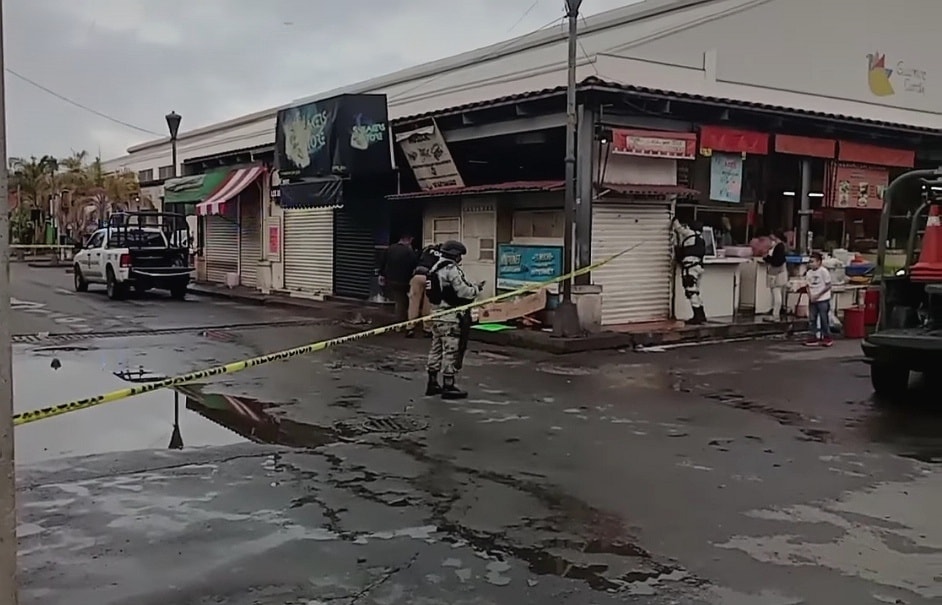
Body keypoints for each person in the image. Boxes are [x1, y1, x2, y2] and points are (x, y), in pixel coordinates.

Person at [425, 240, 482, 399]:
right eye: (459, 256)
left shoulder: (435, 267)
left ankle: (432, 382)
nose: (460, 259)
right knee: (451, 350)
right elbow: (463, 292)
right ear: (455, 255)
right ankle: (448, 385)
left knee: (436, 348)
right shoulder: (451, 270)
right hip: (449, 316)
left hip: (436, 314)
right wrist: (476, 289)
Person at [672, 217, 707, 325]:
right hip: (698, 267)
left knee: (691, 291)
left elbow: (679, 229)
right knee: (695, 291)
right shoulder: (700, 238)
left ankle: (697, 316)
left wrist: (674, 220)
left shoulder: (690, 233)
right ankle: (701, 314)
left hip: (690, 267)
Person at [379, 234, 418, 326]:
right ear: (408, 240)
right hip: (404, 280)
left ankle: (402, 318)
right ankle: (400, 322)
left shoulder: (390, 248)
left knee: (400, 299)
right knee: (402, 301)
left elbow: (383, 262)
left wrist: (382, 274)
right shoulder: (409, 251)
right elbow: (414, 264)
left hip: (391, 279)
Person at [406, 243, 442, 338]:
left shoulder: (426, 250)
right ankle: (427, 328)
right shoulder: (442, 255)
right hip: (430, 278)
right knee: (428, 304)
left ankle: (410, 327)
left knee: (414, 303)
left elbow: (414, 261)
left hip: (417, 276)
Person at [804, 251, 834, 347]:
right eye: (810, 262)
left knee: (823, 319)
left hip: (823, 299)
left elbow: (828, 285)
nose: (811, 264)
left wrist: (818, 295)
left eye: (813, 261)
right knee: (812, 319)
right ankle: (813, 337)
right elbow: (807, 286)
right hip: (812, 299)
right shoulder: (809, 273)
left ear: (819, 262)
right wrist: (810, 296)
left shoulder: (823, 271)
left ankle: (827, 337)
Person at [764, 230, 788, 320]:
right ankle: (774, 312)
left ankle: (775, 313)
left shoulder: (779, 247)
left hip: (777, 274)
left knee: (776, 293)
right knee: (775, 293)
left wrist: (767, 258)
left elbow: (777, 261)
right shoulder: (778, 246)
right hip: (777, 273)